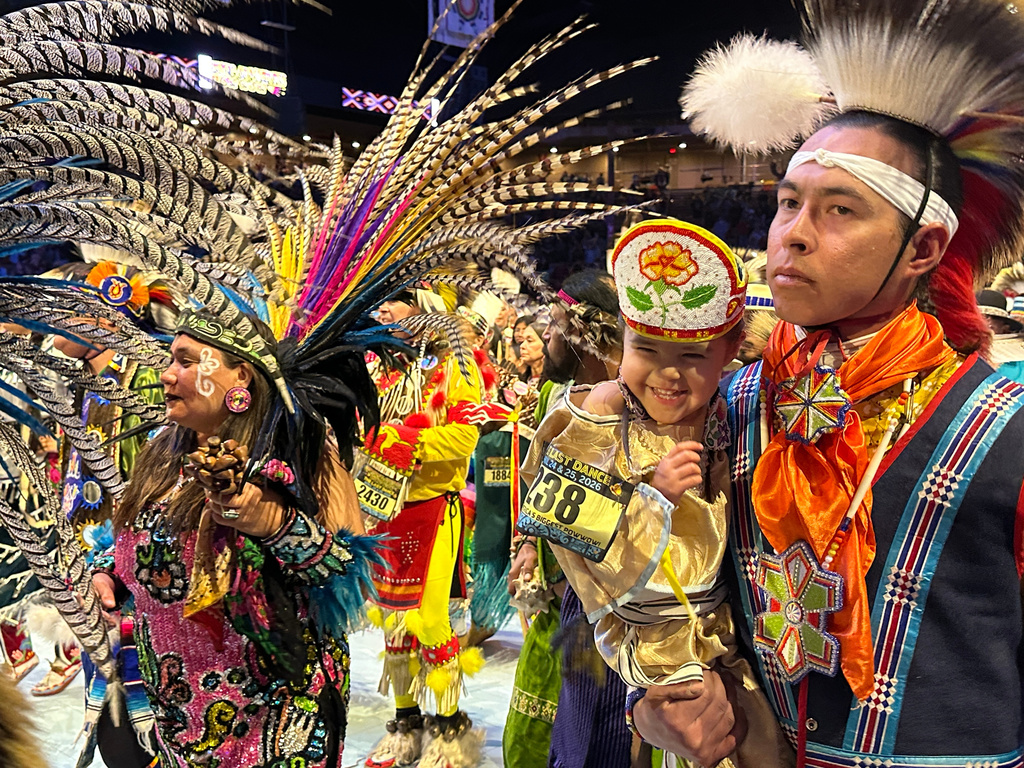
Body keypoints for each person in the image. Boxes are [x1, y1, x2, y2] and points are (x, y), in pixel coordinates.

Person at [652, 4, 1024, 765]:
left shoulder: (1006, 426)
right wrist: (654, 701)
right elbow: (682, 599)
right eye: (788, 202)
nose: (792, 232)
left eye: (839, 209)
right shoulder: (731, 403)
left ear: (923, 247)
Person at [519, 220, 791, 768]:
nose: (668, 374)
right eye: (646, 348)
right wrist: (653, 498)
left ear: (729, 350)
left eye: (692, 356)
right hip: (640, 644)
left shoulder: (728, 413)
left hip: (721, 636)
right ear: (620, 340)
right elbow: (573, 546)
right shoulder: (591, 420)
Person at [92, 309, 378, 768]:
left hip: (276, 712)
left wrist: (273, 524)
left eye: (186, 361)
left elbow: (348, 575)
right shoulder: (163, 450)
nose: (167, 376)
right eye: (170, 360)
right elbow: (139, 537)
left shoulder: (302, 448)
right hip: (178, 711)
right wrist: (110, 576)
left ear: (240, 375)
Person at [503, 269, 629, 768]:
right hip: (555, 606)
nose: (546, 338)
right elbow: (539, 490)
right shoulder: (550, 398)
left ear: (585, 333)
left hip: (605, 615)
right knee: (527, 744)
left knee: (592, 745)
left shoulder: (629, 406)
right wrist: (528, 545)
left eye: (554, 326)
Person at [362, 288, 486, 768]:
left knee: (428, 619)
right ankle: (405, 726)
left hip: (433, 507)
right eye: (381, 301)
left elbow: (465, 435)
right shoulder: (383, 368)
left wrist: (406, 441)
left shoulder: (459, 366)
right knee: (391, 620)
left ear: (428, 309)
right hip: (385, 506)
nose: (384, 308)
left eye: (396, 299)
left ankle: (451, 733)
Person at [517, 321, 547, 387]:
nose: (522, 346)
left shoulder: (553, 384)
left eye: (529, 341)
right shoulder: (521, 381)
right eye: (523, 341)